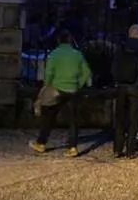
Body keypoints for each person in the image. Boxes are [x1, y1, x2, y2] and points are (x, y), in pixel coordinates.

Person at [30, 26, 93, 157]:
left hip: (57, 89)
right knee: (73, 120)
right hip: (73, 90)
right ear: (70, 41)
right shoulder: (77, 54)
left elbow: (48, 74)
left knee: (49, 116)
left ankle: (41, 143)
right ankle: (73, 147)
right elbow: (87, 72)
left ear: (58, 41)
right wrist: (79, 84)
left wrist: (46, 87)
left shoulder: (54, 54)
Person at [112, 24, 138, 158]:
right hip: (137, 86)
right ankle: (130, 151)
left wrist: (117, 80)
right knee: (133, 120)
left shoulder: (121, 47)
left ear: (129, 33)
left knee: (119, 119)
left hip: (121, 86)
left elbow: (114, 67)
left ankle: (118, 149)